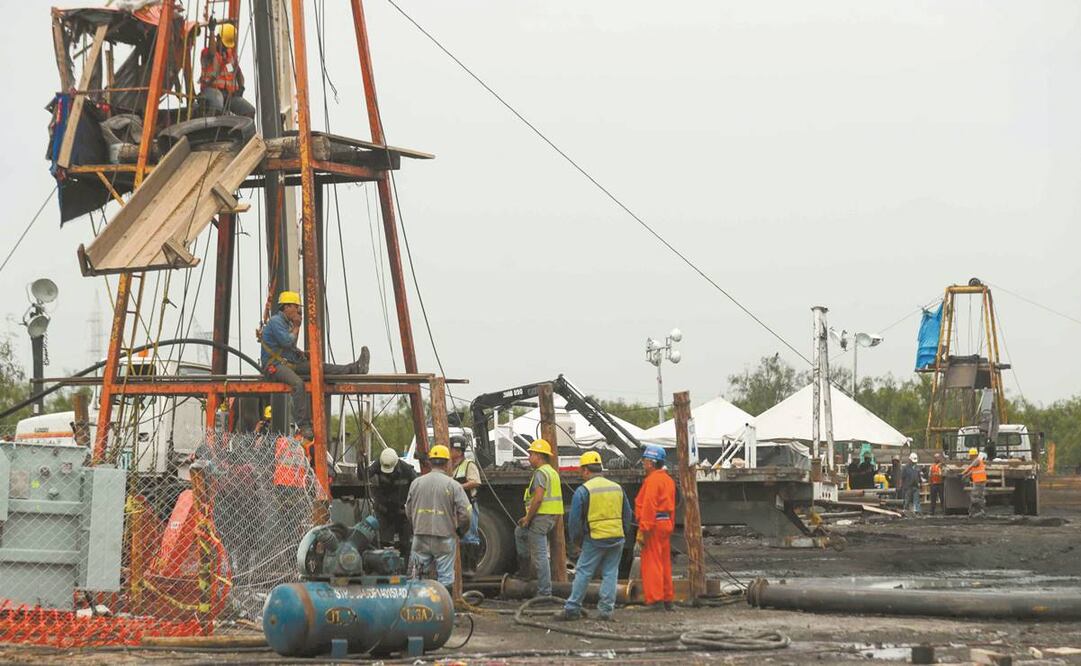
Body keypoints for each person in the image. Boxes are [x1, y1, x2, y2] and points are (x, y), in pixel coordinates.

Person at [259, 291, 369, 440]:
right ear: (286, 307)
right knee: (298, 384)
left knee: (319, 367)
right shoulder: (276, 321)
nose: (298, 310)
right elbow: (286, 341)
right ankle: (304, 426)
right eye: (296, 307)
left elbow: (287, 347)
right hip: (273, 366)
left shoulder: (286, 323)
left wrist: (300, 353)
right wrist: (297, 327)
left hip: (287, 362)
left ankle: (355, 368)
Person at [554, 451, 633, 622]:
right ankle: (606, 611)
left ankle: (572, 608)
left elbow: (574, 522)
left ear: (585, 470)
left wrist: (577, 541)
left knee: (583, 572)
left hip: (595, 538)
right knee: (611, 573)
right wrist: (622, 532)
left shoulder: (583, 491)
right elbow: (627, 515)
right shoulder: (616, 487)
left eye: (580, 471)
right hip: (617, 536)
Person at [404, 445, 471, 588]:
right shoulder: (453, 485)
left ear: (430, 461)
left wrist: (416, 525)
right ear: (447, 463)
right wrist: (460, 530)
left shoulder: (416, 483)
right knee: (445, 579)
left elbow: (408, 510)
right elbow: (466, 513)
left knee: (415, 577)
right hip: (444, 537)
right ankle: (443, 608)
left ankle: (414, 607)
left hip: (420, 536)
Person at [513, 439, 563, 598]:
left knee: (540, 554)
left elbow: (539, 498)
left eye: (531, 454)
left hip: (541, 517)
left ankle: (544, 592)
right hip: (549, 516)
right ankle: (525, 571)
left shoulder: (541, 473)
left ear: (539, 456)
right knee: (519, 533)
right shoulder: (552, 472)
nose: (529, 458)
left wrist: (528, 518)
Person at [635, 444, 676, 611]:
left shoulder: (652, 481)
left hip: (653, 525)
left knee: (652, 563)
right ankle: (667, 599)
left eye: (645, 461)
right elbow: (672, 506)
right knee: (664, 562)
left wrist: (643, 529)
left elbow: (649, 505)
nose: (643, 464)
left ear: (651, 463)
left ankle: (655, 600)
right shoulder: (668, 480)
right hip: (665, 523)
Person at [367, 447, 417, 566]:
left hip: (402, 512)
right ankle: (382, 566)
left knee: (405, 543)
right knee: (381, 542)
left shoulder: (407, 470)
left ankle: (403, 568)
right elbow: (363, 476)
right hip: (383, 511)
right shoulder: (379, 464)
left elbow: (417, 487)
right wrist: (360, 463)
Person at [198, 23, 256, 118]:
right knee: (218, 103)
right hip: (211, 90)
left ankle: (239, 131)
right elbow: (212, 52)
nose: (226, 48)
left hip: (229, 94)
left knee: (249, 111)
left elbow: (238, 73)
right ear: (218, 38)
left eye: (228, 46)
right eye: (224, 44)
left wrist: (241, 87)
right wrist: (211, 31)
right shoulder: (207, 54)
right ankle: (217, 129)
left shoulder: (230, 57)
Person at [449, 439, 483, 575]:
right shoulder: (451, 466)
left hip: (468, 505)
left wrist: (458, 487)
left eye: (451, 449)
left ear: (458, 451)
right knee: (460, 536)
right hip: (457, 507)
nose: (449, 451)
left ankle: (469, 569)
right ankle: (461, 568)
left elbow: (475, 482)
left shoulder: (469, 465)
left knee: (470, 536)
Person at [961, 448, 988, 518]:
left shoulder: (977, 460)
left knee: (975, 497)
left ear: (973, 455)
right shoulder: (976, 461)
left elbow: (970, 467)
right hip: (978, 481)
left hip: (980, 481)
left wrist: (962, 473)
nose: (969, 456)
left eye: (970, 455)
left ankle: (979, 512)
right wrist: (965, 475)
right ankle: (978, 512)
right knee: (979, 497)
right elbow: (972, 471)